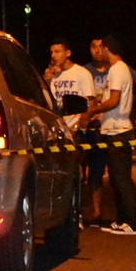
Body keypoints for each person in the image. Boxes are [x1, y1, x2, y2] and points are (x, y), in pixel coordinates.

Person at [86, 36, 136, 235]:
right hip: (113, 129)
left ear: (108, 49)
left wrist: (94, 111)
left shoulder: (118, 69)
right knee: (118, 179)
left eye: (103, 48)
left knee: (121, 179)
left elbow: (115, 101)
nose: (100, 52)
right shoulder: (120, 69)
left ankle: (131, 222)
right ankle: (122, 219)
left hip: (118, 131)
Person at [44, 38, 97, 222]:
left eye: (58, 51)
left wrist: (79, 125)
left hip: (74, 132)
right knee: (57, 175)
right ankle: (59, 214)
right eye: (51, 52)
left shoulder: (81, 73)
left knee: (74, 173)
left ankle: (77, 215)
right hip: (57, 131)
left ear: (68, 53)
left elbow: (91, 102)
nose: (53, 56)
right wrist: (45, 81)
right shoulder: (53, 76)